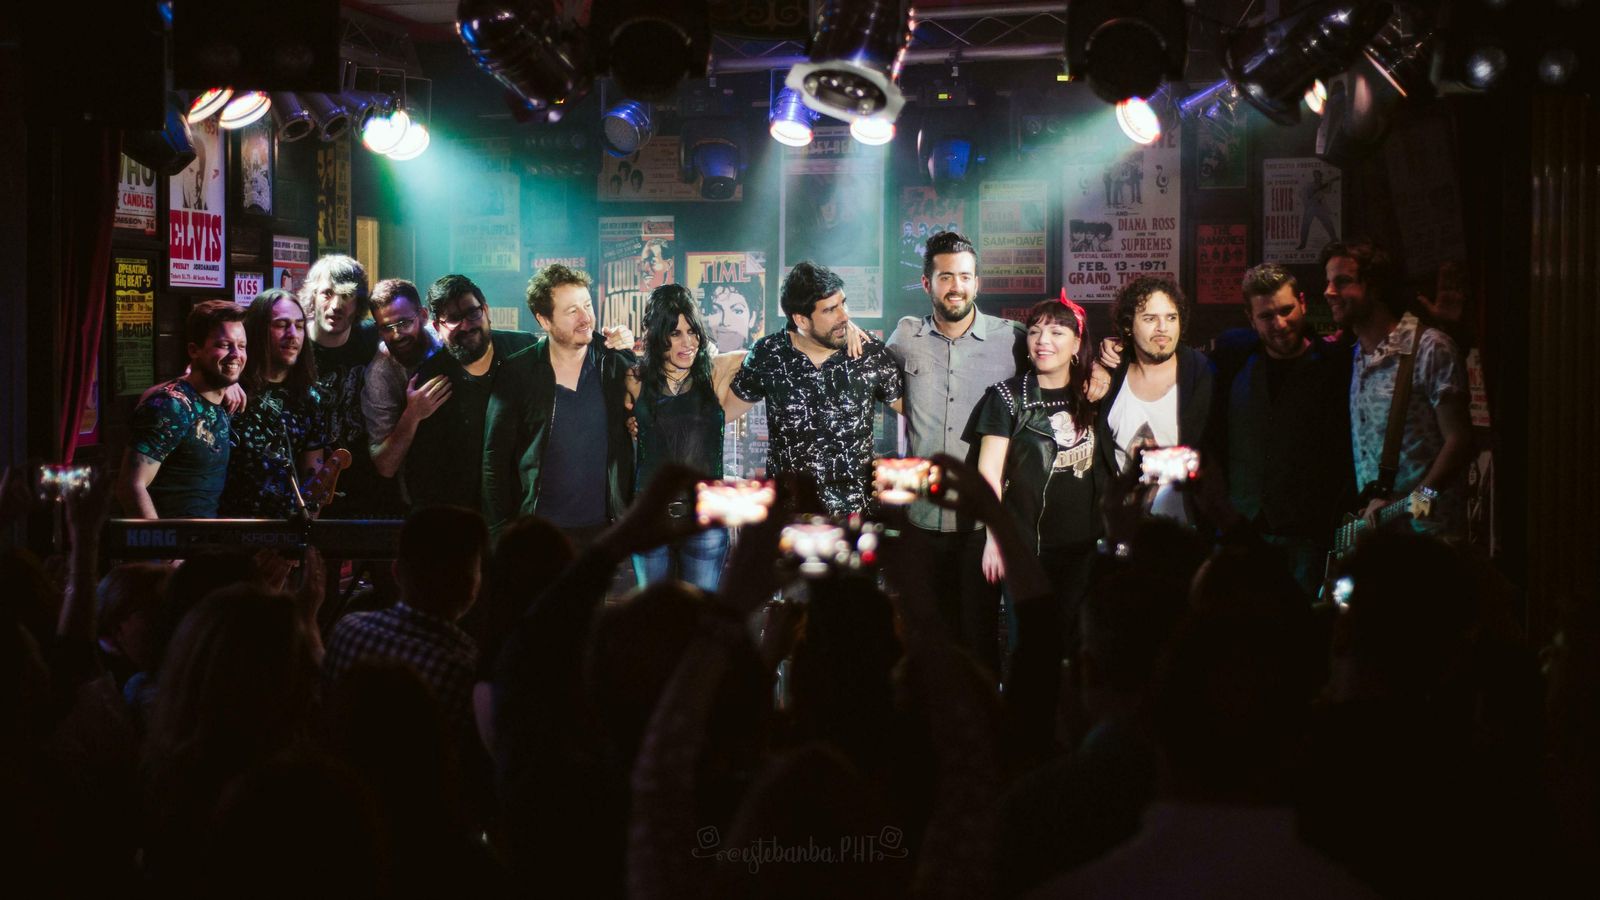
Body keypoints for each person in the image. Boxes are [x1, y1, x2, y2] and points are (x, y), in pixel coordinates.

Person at [885, 231, 1026, 671]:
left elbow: (1064, 364)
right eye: (946, 276)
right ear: (927, 284)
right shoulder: (906, 338)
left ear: (978, 283)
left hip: (981, 527)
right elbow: (871, 380)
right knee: (925, 645)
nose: (957, 286)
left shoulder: (1014, 341)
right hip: (920, 520)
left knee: (980, 645)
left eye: (965, 276)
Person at [968, 296, 1106, 657]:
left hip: (1084, 551)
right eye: (1034, 331)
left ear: (1077, 343)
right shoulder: (1007, 397)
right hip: (1027, 550)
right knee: (1029, 651)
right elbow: (988, 474)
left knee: (1079, 651)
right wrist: (994, 539)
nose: (1043, 340)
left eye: (1056, 331)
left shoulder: (1093, 394)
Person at [1210, 263, 1354, 595]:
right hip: (1242, 529)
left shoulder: (1335, 365)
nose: (1280, 323)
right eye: (1266, 316)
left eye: (1287, 310)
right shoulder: (1234, 357)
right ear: (1250, 318)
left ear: (1303, 302)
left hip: (1308, 536)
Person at [726, 261, 904, 516]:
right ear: (801, 319)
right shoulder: (769, 354)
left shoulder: (867, 352)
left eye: (843, 303)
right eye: (831, 310)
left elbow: (919, 415)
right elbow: (723, 413)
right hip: (789, 516)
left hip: (856, 516)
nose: (845, 316)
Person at [482, 264, 637, 546]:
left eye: (587, 305)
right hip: (538, 533)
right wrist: (499, 533)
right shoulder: (517, 373)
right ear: (544, 320)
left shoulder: (616, 363)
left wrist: (635, 352)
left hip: (602, 530)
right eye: (571, 311)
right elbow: (494, 459)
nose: (585, 317)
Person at [1322, 240, 1470, 534]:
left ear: (1374, 287)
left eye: (1342, 281)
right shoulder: (1358, 355)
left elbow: (1461, 444)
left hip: (1429, 541)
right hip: (1382, 536)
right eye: (1328, 282)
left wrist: (1416, 505)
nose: (1329, 292)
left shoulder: (1429, 348)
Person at [627, 284, 749, 591]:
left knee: (700, 619)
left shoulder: (715, 371)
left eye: (692, 332)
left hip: (704, 520)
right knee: (652, 616)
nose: (687, 342)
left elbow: (770, 352)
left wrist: (848, 329)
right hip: (650, 517)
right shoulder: (634, 379)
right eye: (675, 333)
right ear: (657, 334)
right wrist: (630, 421)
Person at [323, 505, 488, 728]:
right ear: (473, 586)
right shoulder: (466, 669)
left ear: (396, 571)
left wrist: (306, 617)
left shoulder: (348, 631)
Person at [399, 275, 537, 514]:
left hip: (523, 511)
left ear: (485, 310)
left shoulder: (525, 349)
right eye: (453, 318)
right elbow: (425, 474)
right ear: (436, 327)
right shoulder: (430, 381)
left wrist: (623, 361)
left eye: (472, 313)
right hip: (462, 520)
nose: (466, 325)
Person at [1096, 276, 1212, 524]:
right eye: (1150, 318)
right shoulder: (1111, 378)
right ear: (1128, 326)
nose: (1163, 327)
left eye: (1171, 317)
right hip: (1124, 536)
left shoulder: (1201, 375)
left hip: (1189, 537)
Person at [117, 300, 246, 518]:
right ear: (194, 350)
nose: (236, 354)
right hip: (172, 546)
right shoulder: (171, 405)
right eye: (224, 345)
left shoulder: (221, 399)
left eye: (241, 346)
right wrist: (163, 547)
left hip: (203, 545)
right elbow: (130, 487)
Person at [218, 289, 330, 519]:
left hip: (286, 535)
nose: (293, 335)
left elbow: (313, 476)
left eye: (299, 326)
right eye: (281, 325)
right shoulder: (230, 389)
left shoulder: (309, 398)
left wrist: (305, 539)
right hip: (228, 533)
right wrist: (222, 382)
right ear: (258, 330)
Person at [300, 253, 396, 516]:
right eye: (327, 293)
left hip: (364, 479)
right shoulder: (294, 343)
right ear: (313, 297)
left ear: (359, 303)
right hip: (307, 480)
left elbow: (421, 338)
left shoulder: (369, 336)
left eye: (346, 296)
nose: (336, 305)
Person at [362, 278, 449, 501]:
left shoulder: (446, 340)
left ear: (423, 315)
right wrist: (412, 414)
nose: (396, 335)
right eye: (386, 328)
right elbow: (385, 465)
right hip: (419, 496)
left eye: (403, 323)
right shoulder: (380, 374)